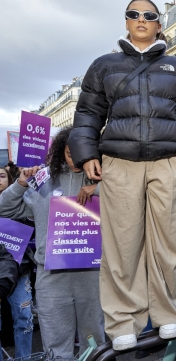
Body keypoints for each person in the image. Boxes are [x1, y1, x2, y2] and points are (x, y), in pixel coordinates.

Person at [68, 0, 176, 350]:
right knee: (122, 246)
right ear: (126, 22)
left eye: (149, 15)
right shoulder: (104, 66)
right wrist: (86, 154)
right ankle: (122, 324)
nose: (141, 19)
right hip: (119, 163)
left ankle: (167, 316)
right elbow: (87, 113)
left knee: (168, 244)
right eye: (134, 14)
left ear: (159, 23)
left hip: (168, 162)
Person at [0, 127, 105, 358]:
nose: (76, 159)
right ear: (60, 151)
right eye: (69, 153)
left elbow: (131, 201)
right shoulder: (42, 179)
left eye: (81, 153)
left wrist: (100, 188)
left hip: (93, 277)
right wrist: (20, 183)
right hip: (51, 279)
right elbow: (4, 208)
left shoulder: (104, 177)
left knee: (95, 343)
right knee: (56, 347)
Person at [0, 166, 35, 361]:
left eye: (2, 175)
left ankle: (24, 358)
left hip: (19, 272)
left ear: (11, 179)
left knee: (25, 317)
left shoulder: (24, 201)